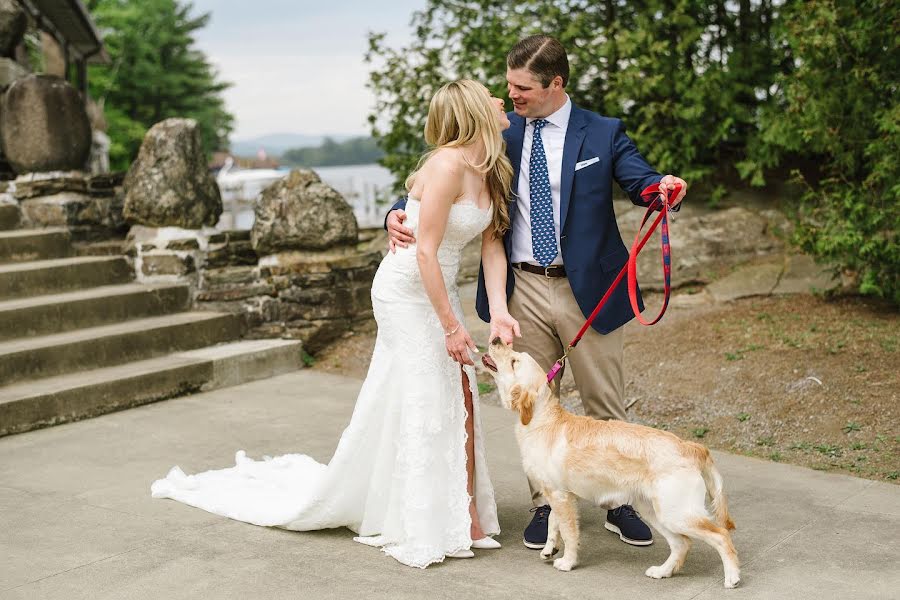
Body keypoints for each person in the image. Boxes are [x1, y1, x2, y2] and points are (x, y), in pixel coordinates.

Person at [151, 79, 521, 569]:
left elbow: (492, 245)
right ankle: (422, 520)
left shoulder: (491, 166)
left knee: (462, 393)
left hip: (439, 288)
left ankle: (466, 513)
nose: (501, 99)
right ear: (475, 110)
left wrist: (498, 310)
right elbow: (426, 250)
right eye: (491, 94)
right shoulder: (446, 166)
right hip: (406, 291)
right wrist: (453, 328)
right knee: (427, 393)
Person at [386, 35, 688, 550]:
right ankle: (544, 503)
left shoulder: (604, 132)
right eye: (508, 85)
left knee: (603, 399)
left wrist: (663, 187)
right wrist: (395, 211)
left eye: (523, 87)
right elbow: (442, 169)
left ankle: (616, 502)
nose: (512, 96)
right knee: (529, 404)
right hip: (520, 285)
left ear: (556, 84)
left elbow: (640, 181)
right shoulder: (499, 131)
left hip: (588, 287)